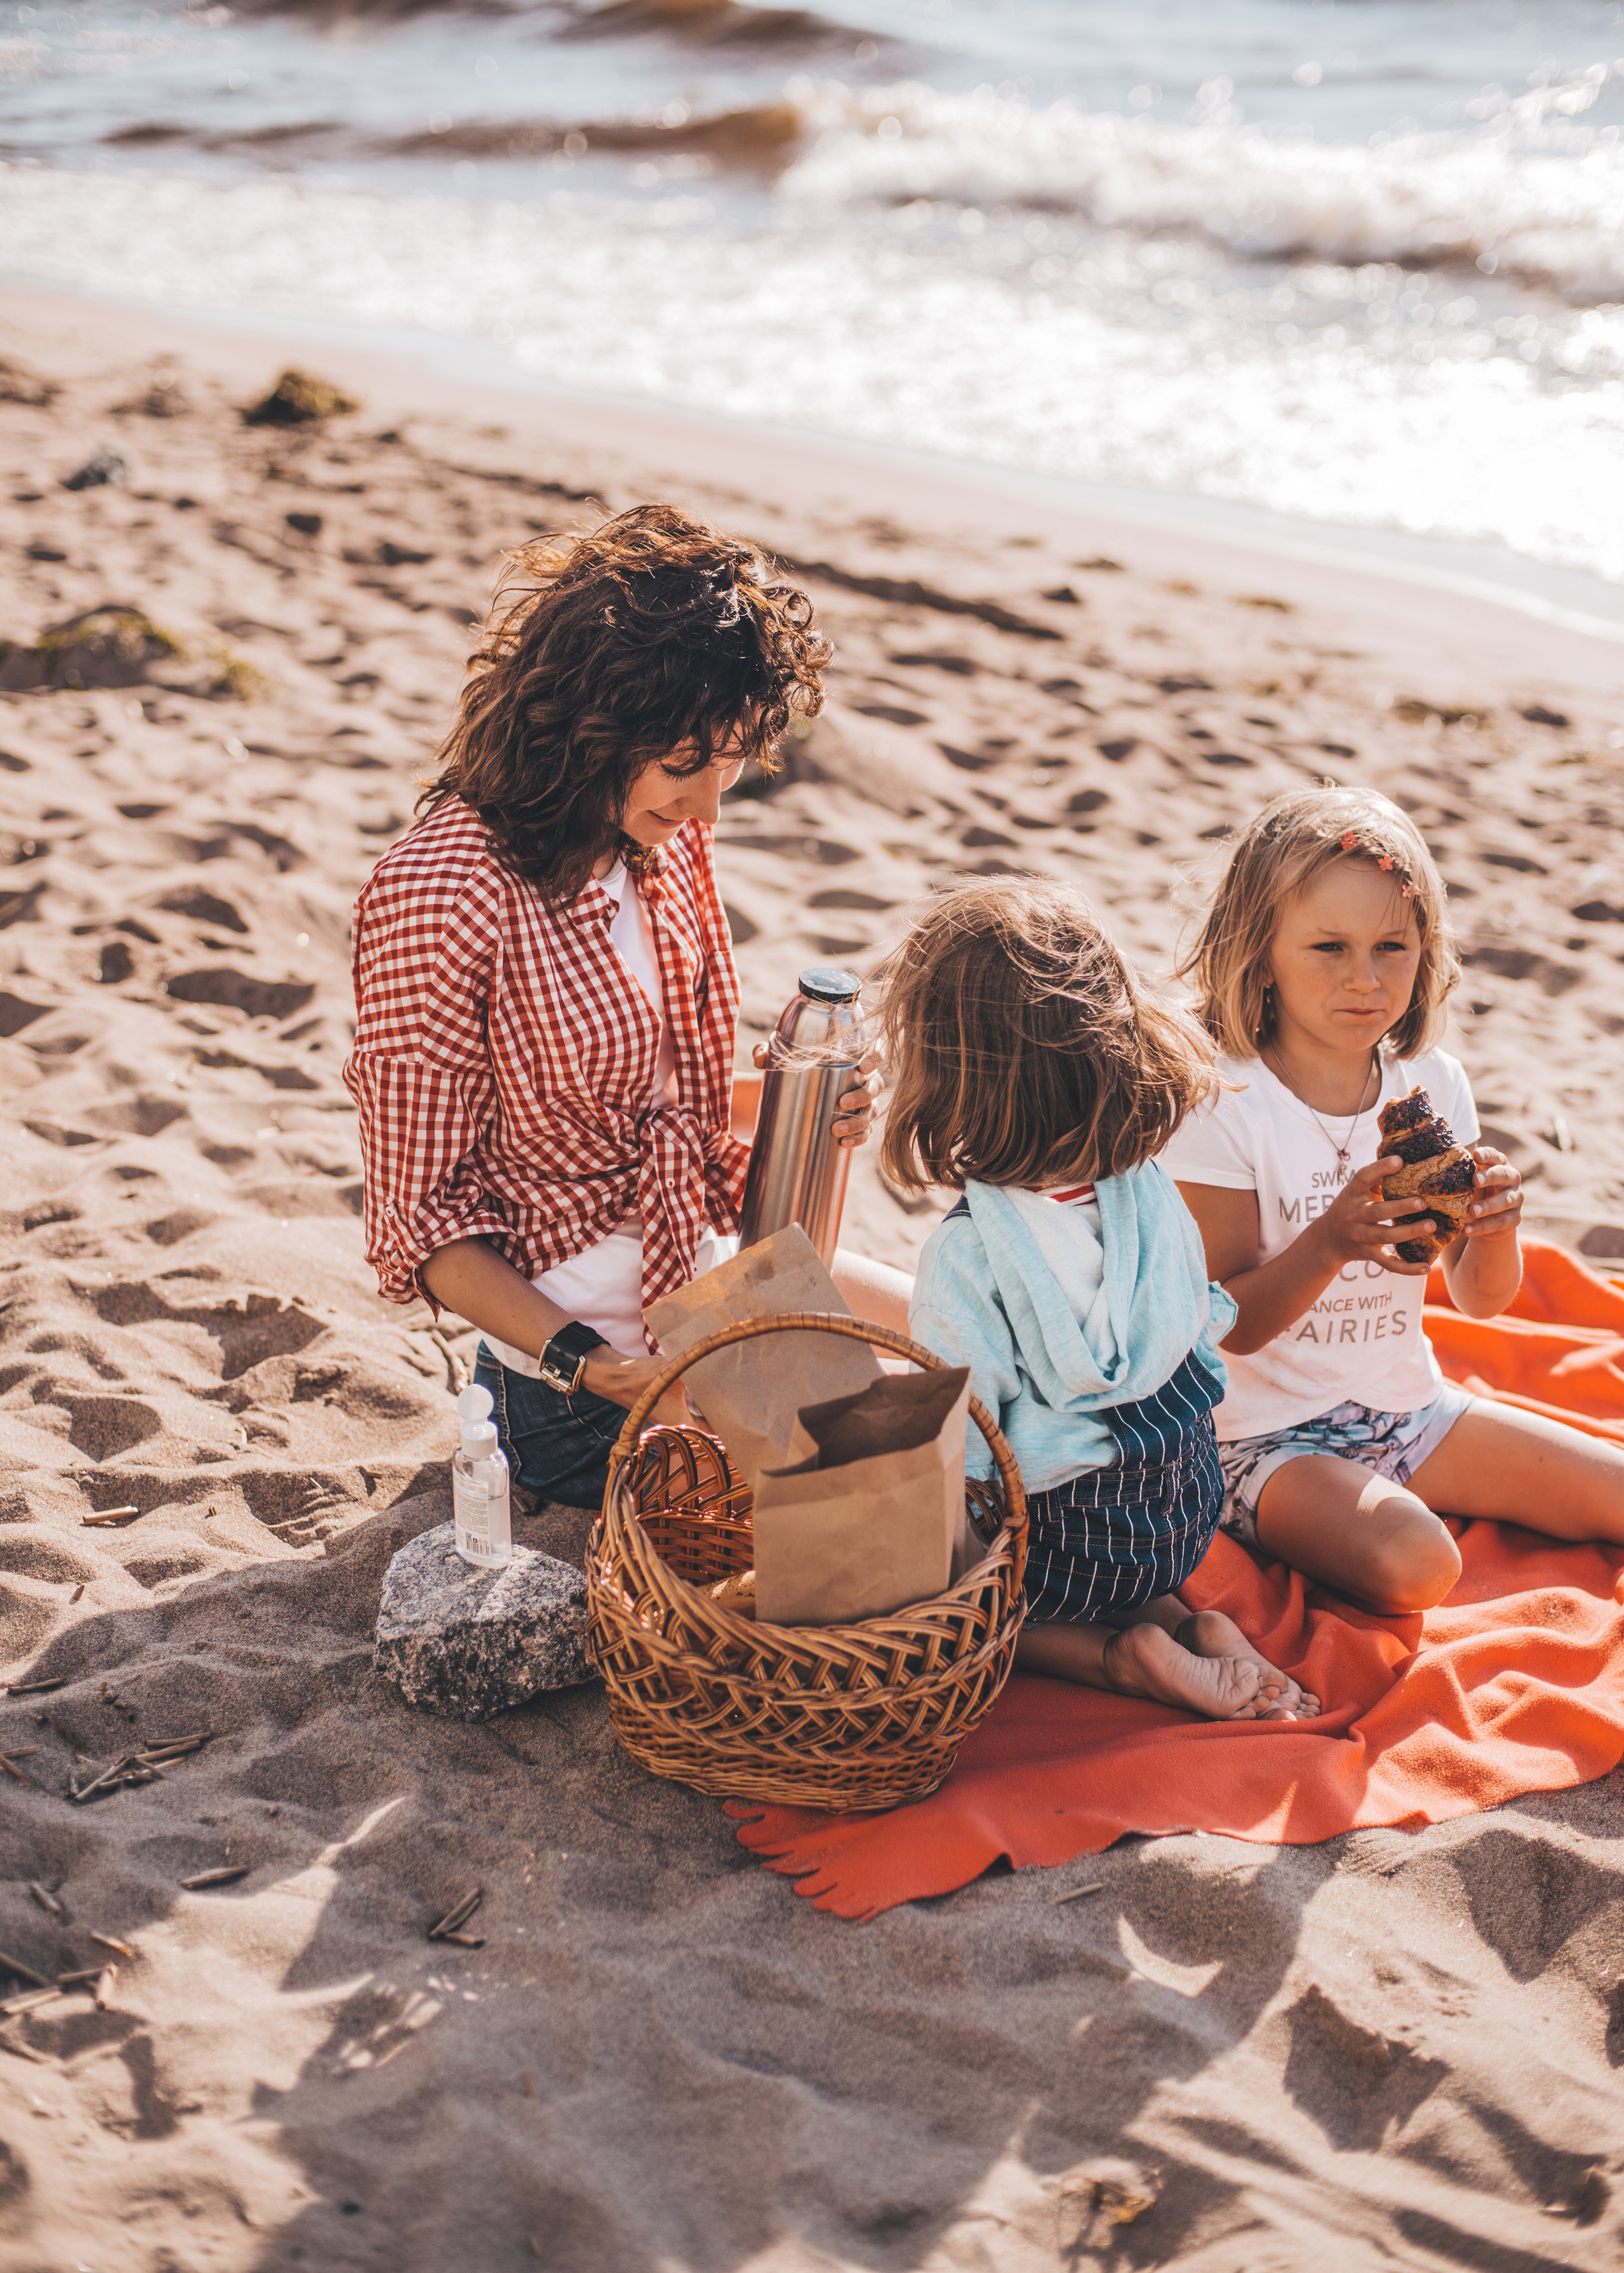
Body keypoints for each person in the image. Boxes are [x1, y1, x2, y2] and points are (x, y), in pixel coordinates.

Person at [344, 504, 899, 1512]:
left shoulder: (660, 832)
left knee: (975, 1368)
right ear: (589, 725)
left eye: (729, 765)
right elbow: (421, 1223)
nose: (708, 809)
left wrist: (798, 1107)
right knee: (890, 1508)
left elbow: (647, 1102)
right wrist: (592, 1367)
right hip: (585, 1387)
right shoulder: (446, 891)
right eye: (685, 767)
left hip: (715, 1280)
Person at [1167, 784, 1624, 1611]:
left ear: (1427, 949)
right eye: (1328, 948)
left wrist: (1494, 1231)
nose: (1365, 981)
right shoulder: (1223, 1100)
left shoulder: (1431, 1085)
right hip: (1262, 1437)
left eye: (1392, 947)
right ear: (1260, 948)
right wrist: (1333, 1241)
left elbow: (1483, 1302)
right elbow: (1227, 1326)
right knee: (1418, 1563)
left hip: (1409, 1407)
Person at [882, 879, 1318, 1722]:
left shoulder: (967, 1252)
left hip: (1074, 1541)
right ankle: (1189, 1624)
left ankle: (1123, 1656)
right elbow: (1200, 1313)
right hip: (1183, 1504)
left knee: (957, 1595)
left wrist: (942, 1555)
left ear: (949, 1078)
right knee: (1116, 1535)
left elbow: (968, 1437)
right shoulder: (1146, 1186)